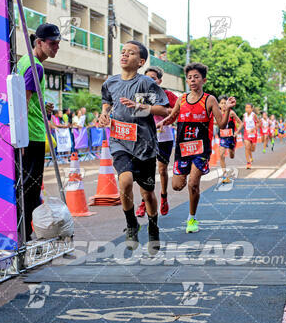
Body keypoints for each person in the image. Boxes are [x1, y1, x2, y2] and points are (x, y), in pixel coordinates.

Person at [98, 40, 169, 253]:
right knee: (125, 180)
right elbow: (106, 101)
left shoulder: (146, 83)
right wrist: (104, 115)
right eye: (123, 52)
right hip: (120, 142)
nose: (125, 55)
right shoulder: (110, 82)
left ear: (141, 61)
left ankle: (153, 228)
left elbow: (164, 110)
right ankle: (131, 224)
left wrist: (142, 106)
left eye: (131, 53)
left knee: (147, 193)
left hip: (144, 145)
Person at [157, 63, 236, 233]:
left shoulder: (210, 100)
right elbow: (173, 116)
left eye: (196, 77)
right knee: (177, 186)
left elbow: (222, 124)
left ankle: (192, 218)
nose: (192, 80)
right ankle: (185, 183)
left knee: (193, 183)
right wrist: (163, 122)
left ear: (203, 80)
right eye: (190, 77)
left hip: (201, 149)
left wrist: (228, 110)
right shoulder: (182, 99)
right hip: (183, 149)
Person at [17, 23, 61, 240]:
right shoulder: (36, 67)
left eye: (58, 44)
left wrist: (44, 108)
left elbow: (29, 101)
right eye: (52, 43)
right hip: (31, 137)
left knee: (27, 188)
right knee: (30, 191)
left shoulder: (25, 62)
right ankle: (25, 239)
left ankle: (24, 236)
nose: (56, 47)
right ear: (39, 43)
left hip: (29, 135)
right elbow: (22, 104)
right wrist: (22, 140)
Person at [136, 66, 177, 217]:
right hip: (146, 138)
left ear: (159, 81)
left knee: (162, 170)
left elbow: (177, 111)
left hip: (164, 137)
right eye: (146, 78)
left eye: (153, 78)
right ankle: (144, 201)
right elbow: (138, 115)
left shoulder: (167, 95)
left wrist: (165, 115)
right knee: (147, 171)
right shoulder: (141, 96)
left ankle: (164, 197)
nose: (149, 81)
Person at [218, 97, 243, 183]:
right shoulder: (217, 113)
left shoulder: (231, 113)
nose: (224, 105)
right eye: (222, 103)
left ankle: (232, 150)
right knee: (221, 155)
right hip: (222, 136)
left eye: (225, 103)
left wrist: (236, 132)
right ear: (218, 105)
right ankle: (224, 175)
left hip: (231, 137)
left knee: (231, 156)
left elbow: (241, 123)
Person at [243, 103, 259, 168]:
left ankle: (251, 156)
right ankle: (248, 162)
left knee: (252, 149)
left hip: (253, 133)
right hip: (247, 133)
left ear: (252, 109)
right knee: (247, 147)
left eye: (249, 107)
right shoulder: (244, 115)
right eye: (246, 107)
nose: (247, 109)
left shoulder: (253, 115)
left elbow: (258, 123)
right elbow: (244, 123)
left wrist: (253, 129)